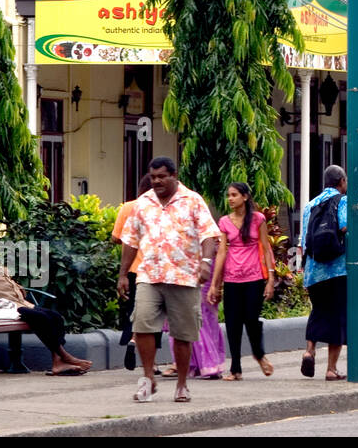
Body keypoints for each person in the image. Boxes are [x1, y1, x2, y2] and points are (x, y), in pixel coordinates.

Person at [118, 156, 221, 404]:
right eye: (153, 177)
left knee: (183, 333)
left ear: (174, 175)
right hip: (149, 275)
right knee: (141, 325)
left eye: (162, 176)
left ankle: (182, 385)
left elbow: (208, 235)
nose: (157, 181)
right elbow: (130, 240)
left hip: (183, 277)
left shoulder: (193, 200)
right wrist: (122, 274)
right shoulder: (143, 203)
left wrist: (206, 263)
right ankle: (147, 380)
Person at [0, 225, 93, 376]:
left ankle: (57, 362)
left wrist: (17, 289)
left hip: (14, 304)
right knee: (38, 317)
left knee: (54, 316)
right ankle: (65, 356)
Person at [209, 182, 276, 381]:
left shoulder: (258, 219)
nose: (230, 199)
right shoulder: (224, 222)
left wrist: (270, 279)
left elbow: (266, 248)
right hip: (232, 278)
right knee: (232, 323)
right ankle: (235, 368)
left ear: (245, 197)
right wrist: (215, 283)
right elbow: (221, 253)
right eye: (228, 195)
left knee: (251, 319)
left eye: (234, 195)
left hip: (254, 277)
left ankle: (259, 353)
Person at [300, 164, 349, 381]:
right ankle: (331, 369)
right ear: (341, 182)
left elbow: (304, 240)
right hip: (337, 269)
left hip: (313, 271)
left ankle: (309, 351)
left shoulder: (310, 205)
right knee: (337, 317)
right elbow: (346, 227)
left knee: (318, 311)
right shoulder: (343, 200)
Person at [110, 174, 158, 372]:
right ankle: (152, 363)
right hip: (155, 270)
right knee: (154, 315)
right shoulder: (158, 209)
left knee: (134, 311)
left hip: (132, 269)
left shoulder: (128, 207)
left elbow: (116, 238)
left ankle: (132, 338)